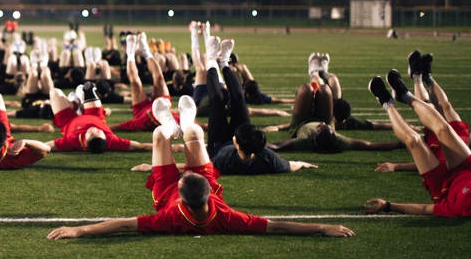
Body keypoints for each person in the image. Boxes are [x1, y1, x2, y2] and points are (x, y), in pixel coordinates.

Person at [46, 96, 354, 239]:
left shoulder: (169, 215)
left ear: (182, 195)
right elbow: (276, 226)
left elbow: (125, 224)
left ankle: (170, 124)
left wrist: (80, 230)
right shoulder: (227, 217)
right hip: (194, 184)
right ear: (209, 193)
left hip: (164, 189)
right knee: (190, 135)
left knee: (160, 135)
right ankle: (184, 125)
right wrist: (322, 228)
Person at [364, 71, 471, 217]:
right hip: (466, 167)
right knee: (443, 128)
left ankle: (386, 103)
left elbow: (424, 209)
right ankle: (405, 96)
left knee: (413, 140)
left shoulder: (462, 207)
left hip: (442, 187)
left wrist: (389, 205)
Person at [200, 47, 315, 175]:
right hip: (244, 141)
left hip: (218, 145)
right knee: (239, 97)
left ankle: (211, 60)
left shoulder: (222, 161)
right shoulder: (267, 158)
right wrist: (301, 164)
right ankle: (224, 63)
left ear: (237, 144)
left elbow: (200, 168)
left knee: (217, 99)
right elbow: (290, 165)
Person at [266, 81, 403, 154]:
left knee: (305, 89)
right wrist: (399, 144)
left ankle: (313, 83)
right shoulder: (338, 139)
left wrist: (253, 146)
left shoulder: (304, 141)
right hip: (324, 116)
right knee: (325, 89)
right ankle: (317, 79)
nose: (321, 124)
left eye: (319, 127)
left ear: (314, 135)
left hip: (300, 123)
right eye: (326, 126)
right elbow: (369, 145)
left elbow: (278, 146)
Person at [45, 83, 152, 153]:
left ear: (85, 143)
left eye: (91, 133)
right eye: (98, 131)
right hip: (95, 115)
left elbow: (47, 146)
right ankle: (78, 106)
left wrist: (28, 146)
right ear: (105, 138)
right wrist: (167, 147)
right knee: (88, 87)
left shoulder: (73, 141)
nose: (93, 128)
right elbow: (140, 146)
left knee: (54, 92)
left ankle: (75, 106)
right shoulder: (112, 141)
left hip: (68, 120)